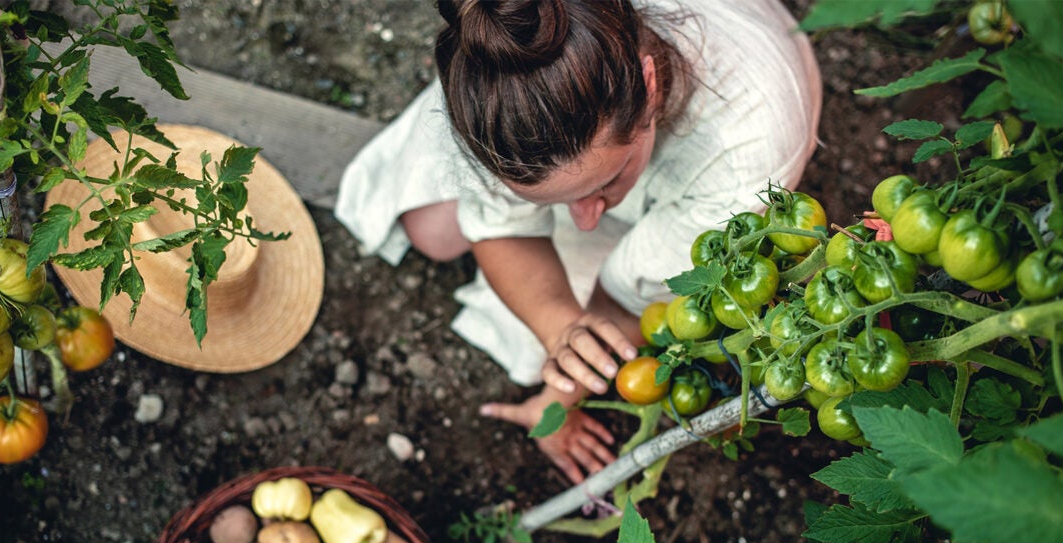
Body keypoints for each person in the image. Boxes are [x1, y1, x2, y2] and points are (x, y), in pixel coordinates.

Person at [335, 0, 821, 483]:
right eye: (563, 198)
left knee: (568, 326)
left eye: (604, 185)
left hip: (724, 144)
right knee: (432, 233)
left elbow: (628, 303)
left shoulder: (744, 153)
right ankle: (548, 109)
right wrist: (559, 325)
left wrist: (557, 399)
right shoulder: (501, 89)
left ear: (649, 88)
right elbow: (502, 229)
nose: (587, 220)